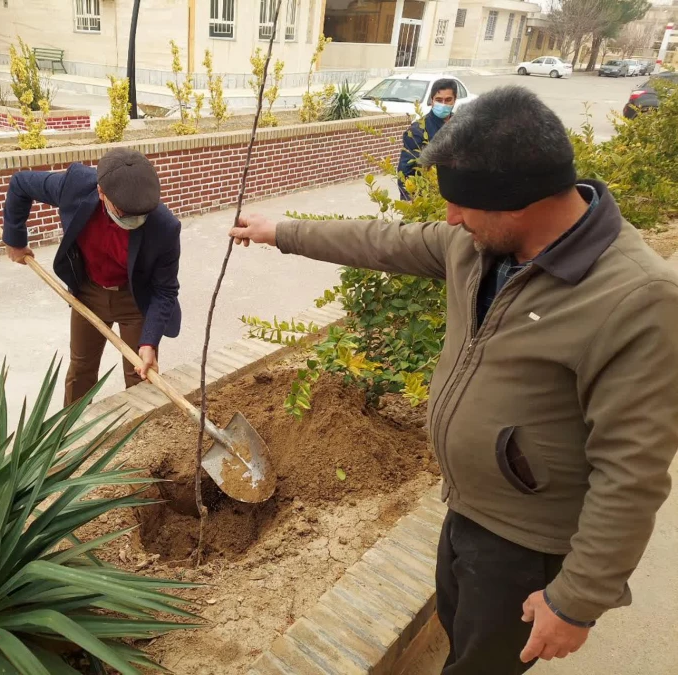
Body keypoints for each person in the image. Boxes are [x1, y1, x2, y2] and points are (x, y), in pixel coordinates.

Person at [230, 86, 678, 674]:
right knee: (458, 635)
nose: (450, 217)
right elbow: (384, 241)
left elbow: (633, 470)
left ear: (520, 201)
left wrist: (576, 603)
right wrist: (282, 231)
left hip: (527, 547)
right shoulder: (480, 247)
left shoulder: (636, 299)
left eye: (462, 203)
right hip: (465, 511)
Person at [2, 148, 181, 406]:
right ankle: (71, 432)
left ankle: (140, 435)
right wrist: (15, 239)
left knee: (140, 375)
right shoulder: (75, 186)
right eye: (125, 213)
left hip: (134, 300)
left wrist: (149, 341)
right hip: (89, 292)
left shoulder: (164, 225)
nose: (135, 220)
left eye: (140, 214)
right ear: (101, 193)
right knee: (81, 368)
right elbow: (21, 184)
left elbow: (165, 290)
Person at [396, 78, 458, 201]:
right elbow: (406, 171)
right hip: (428, 197)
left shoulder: (461, 124)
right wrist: (411, 201)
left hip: (455, 195)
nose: (443, 104)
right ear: (432, 100)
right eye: (439, 100)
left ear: (455, 100)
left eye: (448, 100)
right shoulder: (417, 131)